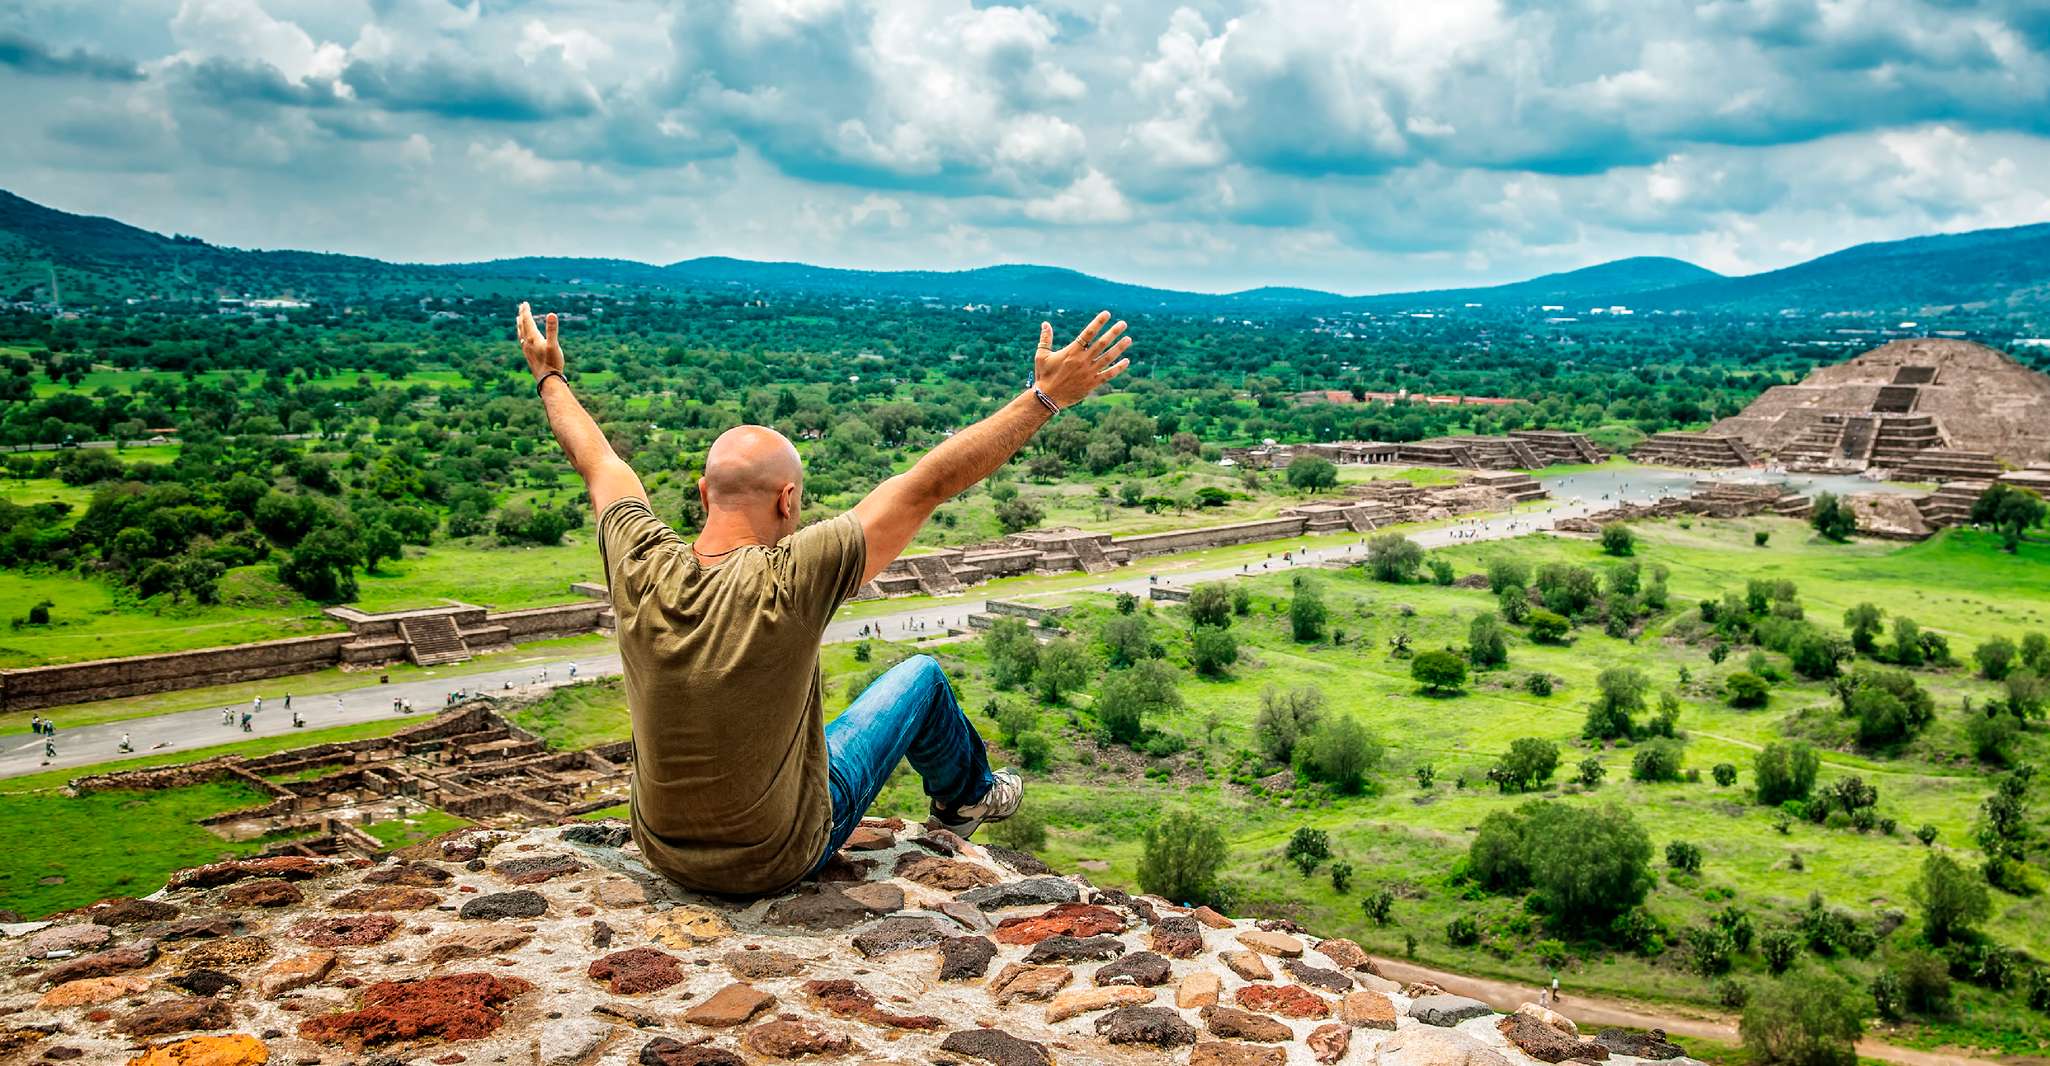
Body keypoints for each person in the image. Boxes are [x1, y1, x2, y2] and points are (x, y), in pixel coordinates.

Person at [519, 300, 1131, 897]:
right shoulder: (792, 576)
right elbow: (928, 483)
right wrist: (1045, 398)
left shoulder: (640, 563)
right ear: (787, 501)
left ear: (704, 494)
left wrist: (550, 376)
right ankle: (969, 794)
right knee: (920, 678)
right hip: (780, 855)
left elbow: (597, 461)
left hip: (663, 850)